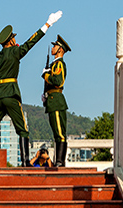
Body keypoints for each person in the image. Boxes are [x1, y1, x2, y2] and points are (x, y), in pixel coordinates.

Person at [0, 10, 63, 168]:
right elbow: (31, 42)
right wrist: (47, 24)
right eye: (14, 38)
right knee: (22, 130)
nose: (15, 40)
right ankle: (24, 163)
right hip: (11, 94)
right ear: (10, 41)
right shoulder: (15, 52)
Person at [41, 34, 71, 167]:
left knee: (60, 133)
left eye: (55, 46)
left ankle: (60, 161)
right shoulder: (54, 64)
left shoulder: (59, 64)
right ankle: (58, 161)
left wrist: (46, 75)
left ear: (60, 49)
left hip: (57, 100)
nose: (53, 48)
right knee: (56, 133)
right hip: (52, 100)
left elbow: (58, 81)